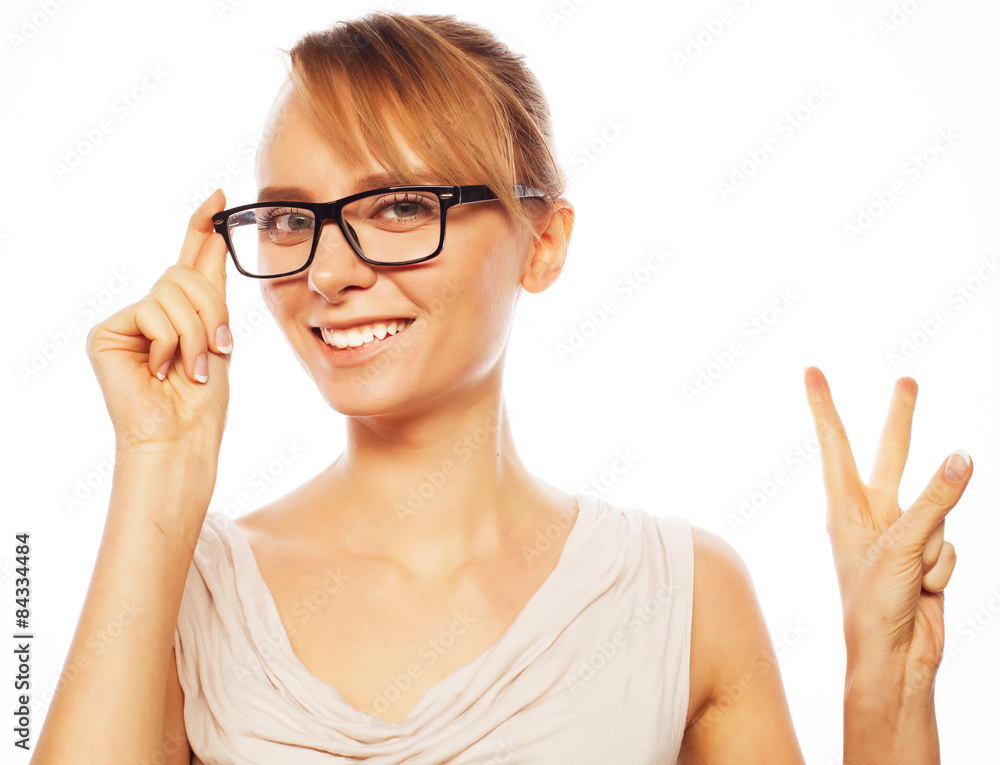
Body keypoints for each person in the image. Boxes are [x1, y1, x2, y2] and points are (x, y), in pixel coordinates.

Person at [31, 12, 970, 765]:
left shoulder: (683, 597)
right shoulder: (189, 592)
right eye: (289, 218)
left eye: (398, 205)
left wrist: (886, 693)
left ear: (544, 241)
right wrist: (156, 470)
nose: (326, 272)